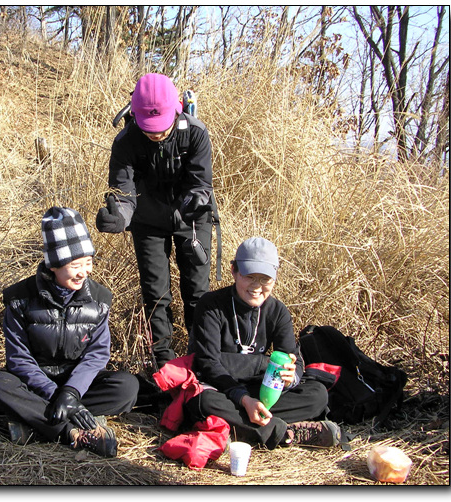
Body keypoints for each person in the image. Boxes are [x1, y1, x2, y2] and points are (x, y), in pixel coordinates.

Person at [0, 207, 139, 458]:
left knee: (127, 387)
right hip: (35, 385)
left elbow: (97, 355)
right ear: (53, 265)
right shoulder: (19, 298)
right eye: (75, 264)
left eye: (88, 262)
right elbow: (18, 359)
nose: (84, 272)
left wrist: (71, 392)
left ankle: (33, 425)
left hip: (77, 384)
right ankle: (71, 431)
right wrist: (57, 394)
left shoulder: (99, 299)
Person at [96, 72, 216, 369]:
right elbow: (123, 193)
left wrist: (195, 202)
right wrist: (118, 217)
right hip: (147, 221)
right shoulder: (125, 142)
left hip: (191, 219)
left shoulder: (196, 133)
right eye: (149, 129)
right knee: (155, 293)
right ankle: (164, 362)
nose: (156, 135)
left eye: (161, 129)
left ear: (176, 112)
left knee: (197, 292)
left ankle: (203, 359)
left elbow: (202, 183)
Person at [185, 237, 342, 449]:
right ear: (234, 271)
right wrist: (246, 393)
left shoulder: (277, 312)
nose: (257, 287)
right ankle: (285, 433)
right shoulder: (211, 306)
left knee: (317, 395)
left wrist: (291, 376)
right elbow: (209, 364)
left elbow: (293, 360)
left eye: (265, 279)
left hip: (259, 390)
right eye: (250, 277)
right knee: (202, 403)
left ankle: (240, 426)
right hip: (220, 388)